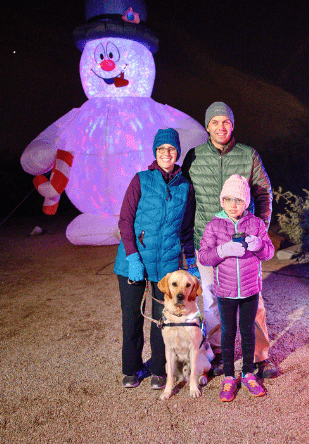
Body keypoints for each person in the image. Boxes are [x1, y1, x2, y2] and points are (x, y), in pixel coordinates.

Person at [182, 102, 278, 378]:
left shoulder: (248, 155)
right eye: (215, 122)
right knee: (212, 301)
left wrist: (258, 232)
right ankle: (220, 354)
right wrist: (188, 239)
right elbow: (187, 198)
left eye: (225, 121)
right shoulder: (194, 157)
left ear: (232, 125)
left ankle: (260, 356)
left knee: (254, 299)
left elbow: (263, 194)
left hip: (244, 244)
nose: (221, 127)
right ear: (207, 126)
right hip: (209, 242)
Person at [113, 128, 199, 389]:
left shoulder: (185, 186)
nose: (166, 153)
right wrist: (132, 257)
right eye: (161, 149)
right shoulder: (141, 180)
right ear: (155, 152)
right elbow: (125, 221)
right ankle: (132, 369)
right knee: (133, 317)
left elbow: (186, 228)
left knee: (164, 319)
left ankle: (160, 370)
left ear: (177, 153)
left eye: (171, 149)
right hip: (134, 261)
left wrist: (191, 260)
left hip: (167, 265)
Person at [197, 175, 275, 401]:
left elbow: (269, 253)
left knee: (248, 331)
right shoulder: (214, 225)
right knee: (229, 333)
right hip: (226, 291)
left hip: (250, 290)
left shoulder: (256, 224)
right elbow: (203, 256)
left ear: (247, 202)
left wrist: (259, 245)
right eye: (228, 199)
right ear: (221, 201)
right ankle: (230, 377)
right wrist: (223, 251)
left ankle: (248, 372)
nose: (233, 205)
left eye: (239, 200)